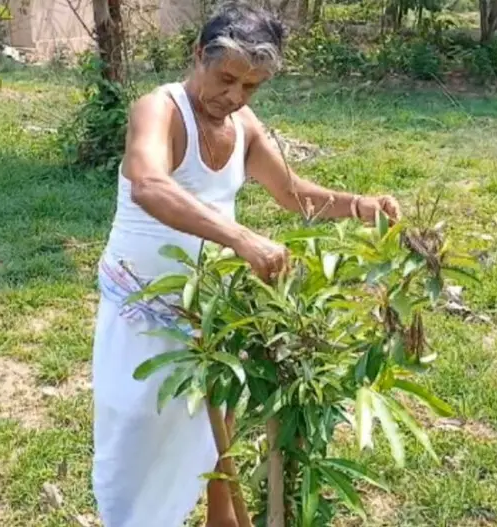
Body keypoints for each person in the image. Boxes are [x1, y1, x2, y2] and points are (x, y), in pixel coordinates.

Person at [90, 3, 401, 526]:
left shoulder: (244, 126)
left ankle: (224, 520)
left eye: (251, 87)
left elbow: (294, 194)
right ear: (198, 56)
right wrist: (240, 238)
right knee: (138, 422)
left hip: (213, 310)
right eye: (226, 78)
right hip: (141, 304)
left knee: (217, 428)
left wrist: (361, 205)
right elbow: (148, 184)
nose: (234, 97)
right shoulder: (160, 110)